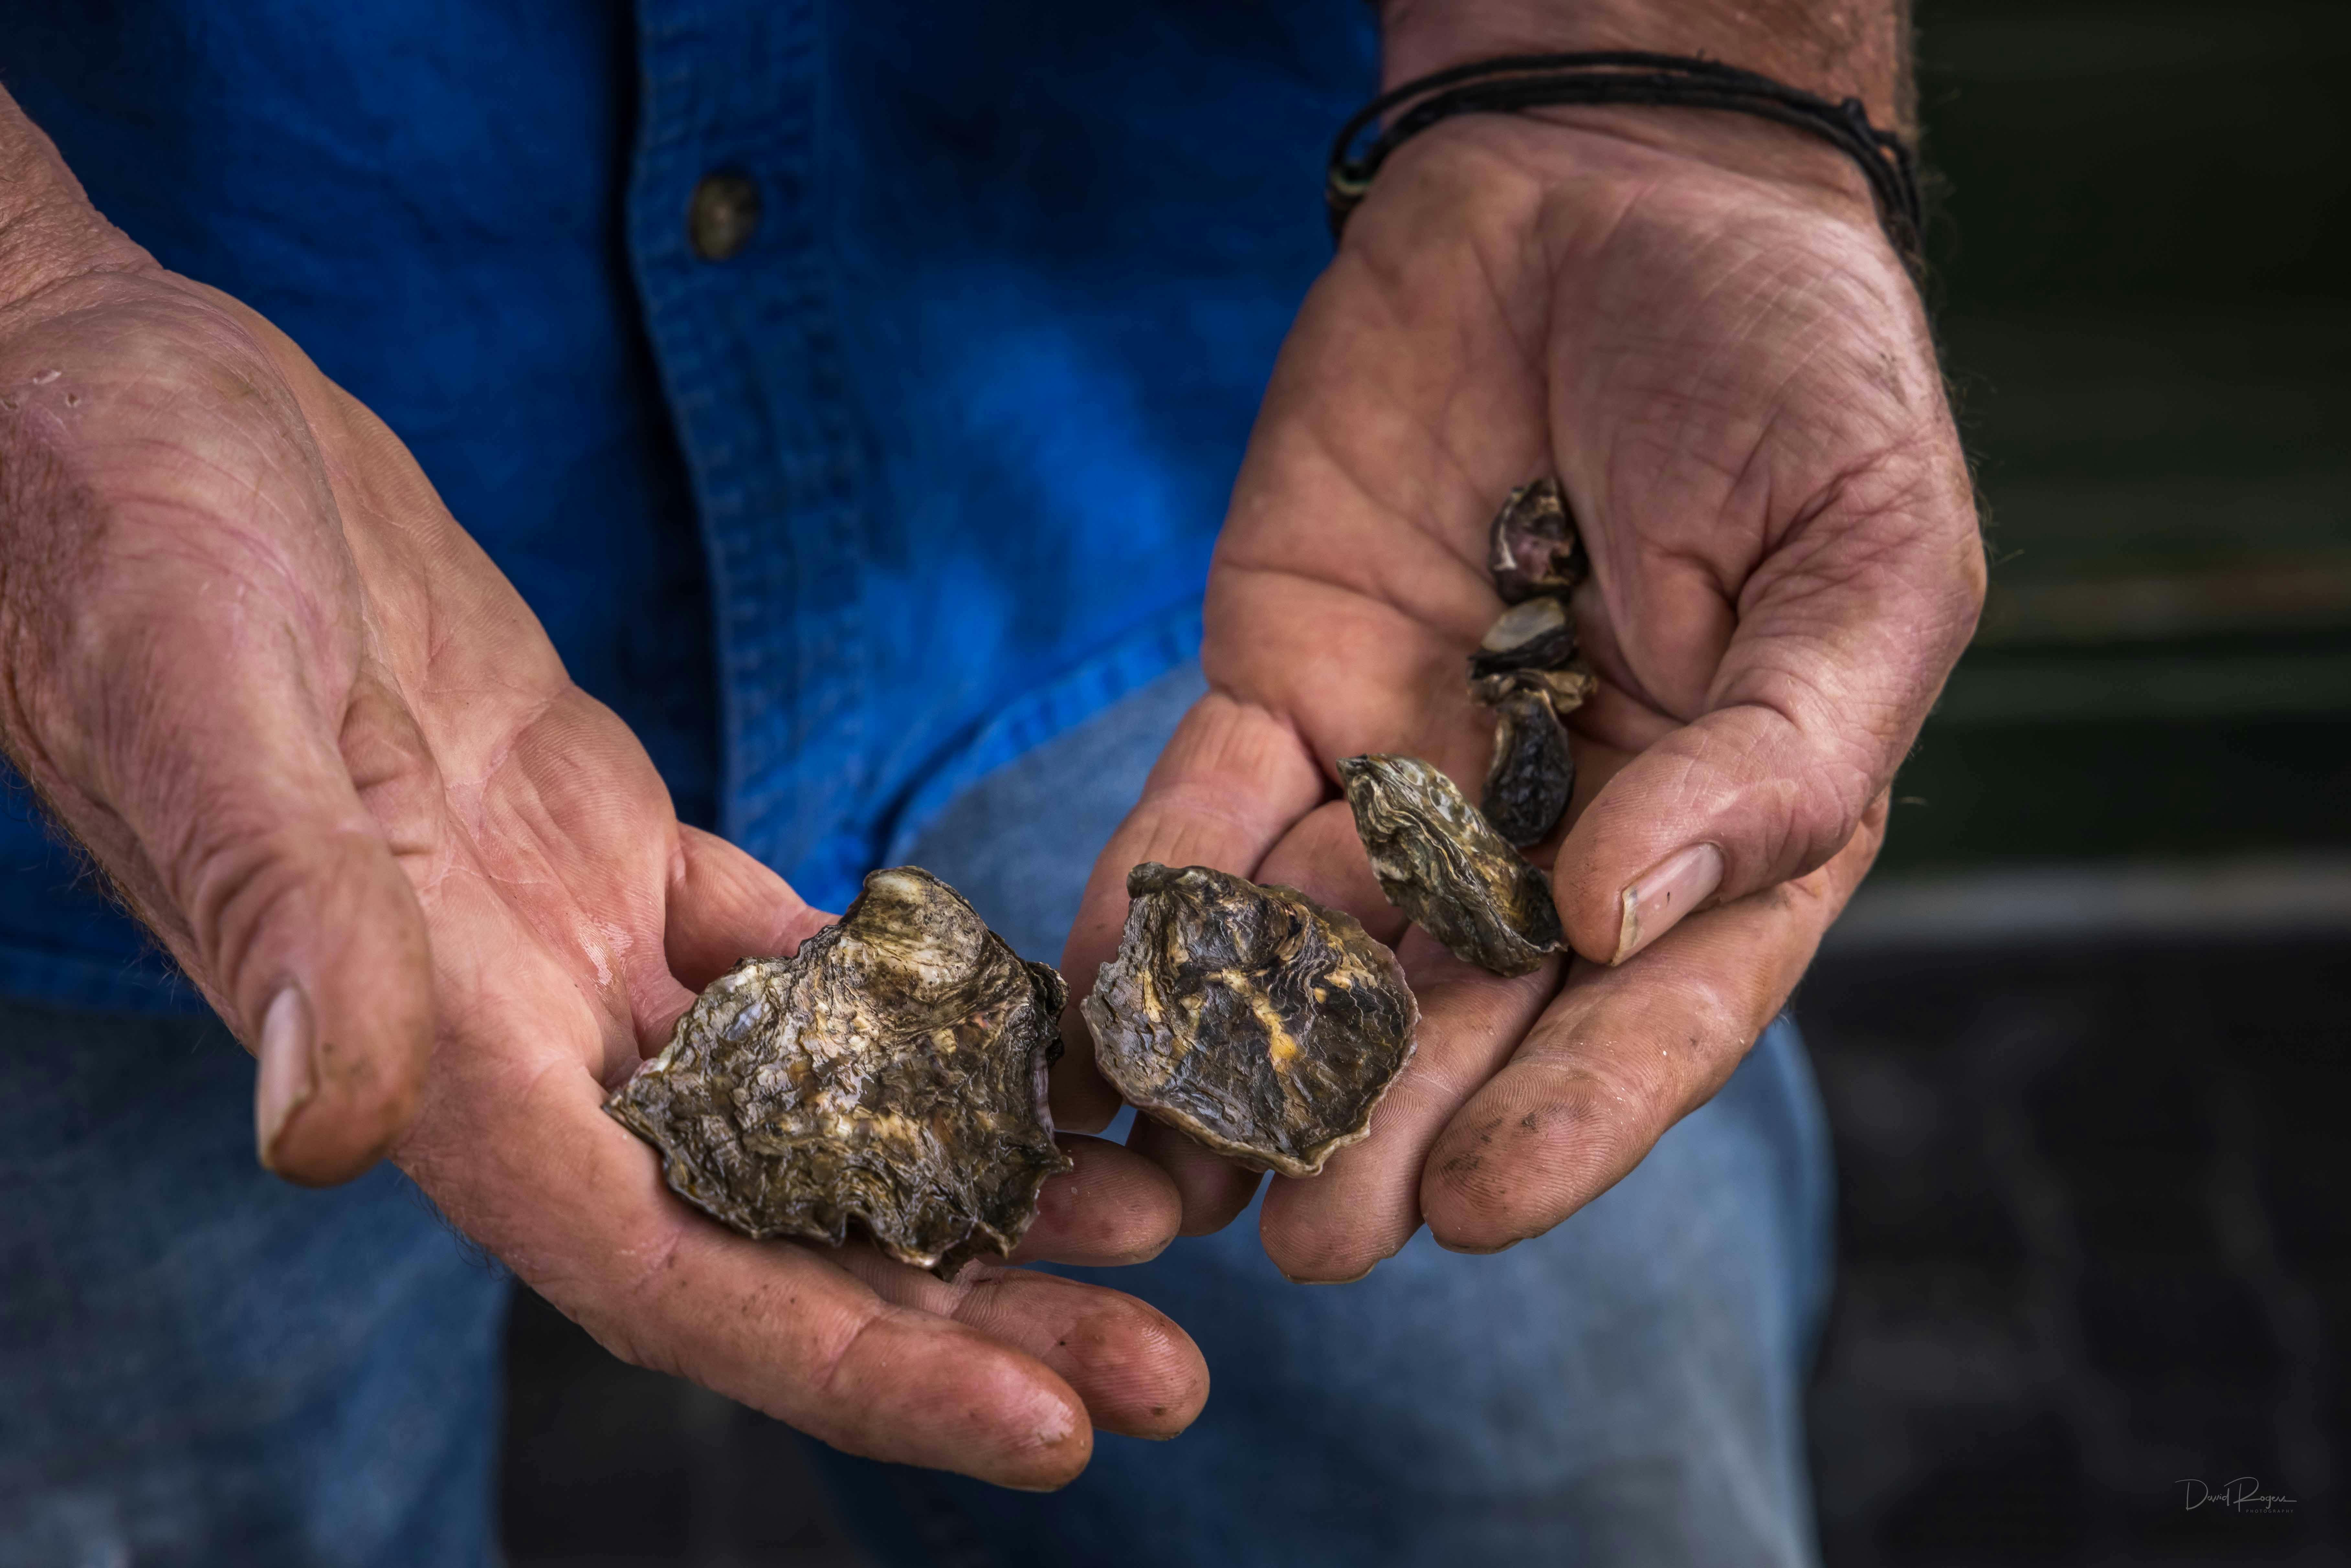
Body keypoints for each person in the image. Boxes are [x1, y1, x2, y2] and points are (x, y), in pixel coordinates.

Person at [0, 0, 1982, 1562]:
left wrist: (1671, 85)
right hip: (159, 643)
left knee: (1558, 1470)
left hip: (1235, 517)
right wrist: (27, 327)